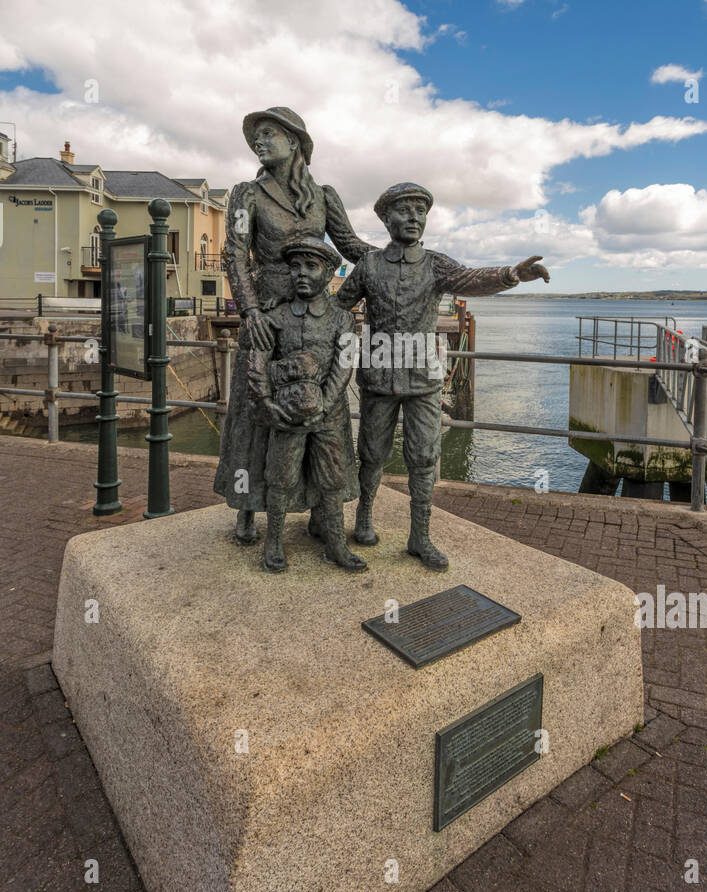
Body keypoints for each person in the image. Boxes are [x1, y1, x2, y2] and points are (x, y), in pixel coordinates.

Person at [335, 182, 550, 569]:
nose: (414, 217)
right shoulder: (368, 266)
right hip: (379, 379)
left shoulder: (435, 264)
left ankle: (420, 536)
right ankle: (363, 518)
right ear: (386, 219)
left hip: (422, 380)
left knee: (423, 456)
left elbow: (471, 279)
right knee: (371, 455)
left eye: (421, 210)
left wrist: (511, 274)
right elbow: (338, 307)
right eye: (404, 210)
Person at [213, 107, 371, 543]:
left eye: (268, 134)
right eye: (255, 137)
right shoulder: (247, 194)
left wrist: (397, 256)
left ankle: (324, 507)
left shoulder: (324, 196)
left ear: (295, 141)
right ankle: (246, 504)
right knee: (254, 414)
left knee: (323, 409)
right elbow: (235, 253)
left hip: (316, 315)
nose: (258, 142)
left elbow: (352, 245)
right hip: (266, 314)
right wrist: (250, 312)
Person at [248, 236, 365, 574]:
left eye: (311, 266)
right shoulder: (276, 315)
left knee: (332, 477)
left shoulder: (341, 319)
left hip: (329, 414)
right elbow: (258, 361)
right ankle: (274, 542)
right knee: (279, 476)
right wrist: (268, 404)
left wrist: (323, 406)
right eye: (295, 266)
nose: (301, 273)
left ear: (329, 273)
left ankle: (335, 543)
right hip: (284, 413)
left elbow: (344, 366)